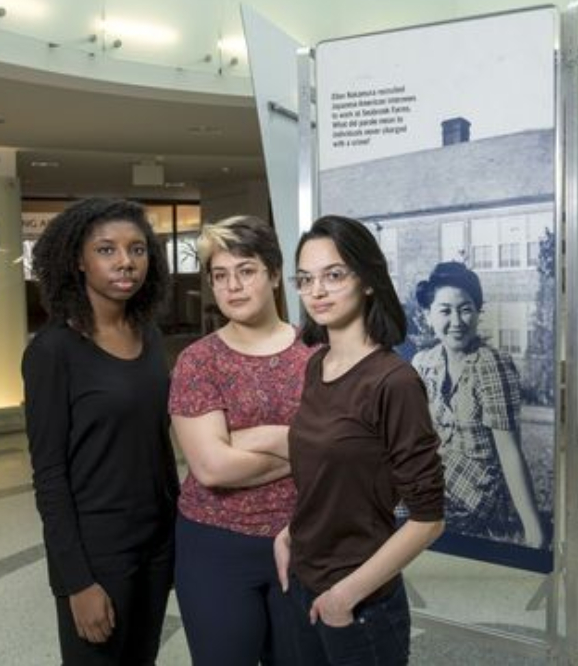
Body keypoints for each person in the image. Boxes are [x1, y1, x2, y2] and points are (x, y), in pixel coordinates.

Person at [275, 215, 445, 666]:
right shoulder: (318, 365)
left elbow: (428, 519)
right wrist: (289, 535)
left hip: (358, 600)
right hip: (304, 578)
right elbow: (334, 475)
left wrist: (343, 597)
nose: (317, 291)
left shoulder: (394, 381)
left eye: (334, 275)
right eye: (306, 279)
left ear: (368, 280)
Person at [22, 198, 179, 665]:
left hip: (156, 542)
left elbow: (156, 442)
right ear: (78, 260)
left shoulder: (148, 335)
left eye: (137, 249)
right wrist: (76, 581)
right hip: (97, 551)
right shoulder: (53, 352)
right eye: (106, 250)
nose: (125, 262)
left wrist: (173, 535)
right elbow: (48, 475)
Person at [168, 215, 318, 666]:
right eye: (219, 275)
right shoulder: (197, 362)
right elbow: (212, 468)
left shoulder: (319, 352)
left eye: (246, 270)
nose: (232, 286)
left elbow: (352, 449)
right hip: (216, 546)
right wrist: (306, 446)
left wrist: (251, 439)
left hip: (306, 537)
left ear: (274, 274)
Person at [411, 262, 545, 547]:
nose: (457, 321)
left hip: (479, 492)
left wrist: (533, 531)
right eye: (445, 310)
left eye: (466, 309)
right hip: (435, 477)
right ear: (428, 316)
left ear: (477, 311)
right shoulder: (424, 363)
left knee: (400, 513)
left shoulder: (491, 365)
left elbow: (509, 450)